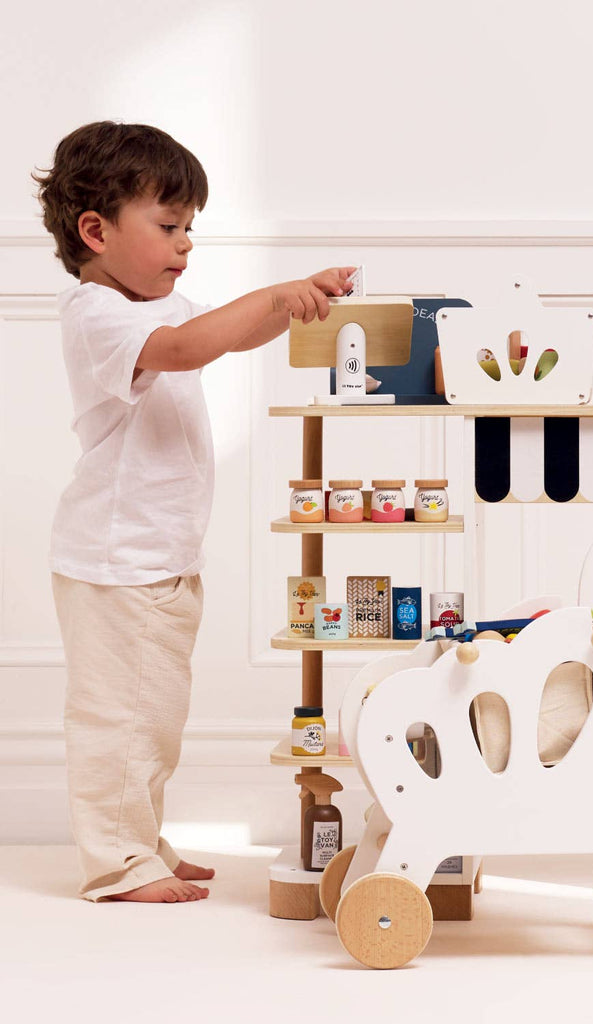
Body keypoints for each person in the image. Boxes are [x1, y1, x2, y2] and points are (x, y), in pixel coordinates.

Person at [34, 121, 354, 903]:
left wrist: (297, 302)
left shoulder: (160, 304)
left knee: (153, 720)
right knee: (119, 722)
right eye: (169, 226)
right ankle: (117, 863)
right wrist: (274, 296)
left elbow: (226, 334)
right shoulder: (98, 314)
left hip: (159, 556)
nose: (185, 246)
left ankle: (141, 839)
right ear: (96, 231)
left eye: (190, 230)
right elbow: (186, 347)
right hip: (117, 563)